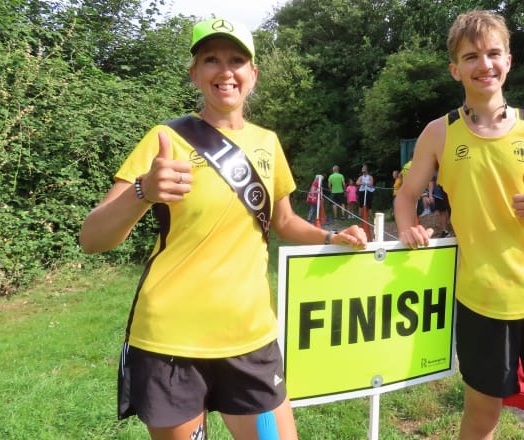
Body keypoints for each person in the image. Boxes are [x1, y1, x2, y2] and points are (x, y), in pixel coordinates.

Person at [78, 17, 367, 440]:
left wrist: (330, 236)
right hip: (171, 344)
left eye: (236, 59)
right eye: (211, 59)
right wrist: (142, 190)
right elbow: (92, 238)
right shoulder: (165, 139)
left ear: (253, 74)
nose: (225, 70)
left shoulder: (268, 143)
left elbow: (283, 221)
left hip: (251, 340)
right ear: (195, 74)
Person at [394, 10, 524, 440]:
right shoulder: (438, 134)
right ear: (455, 69)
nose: (485, 64)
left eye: (493, 53)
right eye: (471, 56)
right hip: (480, 298)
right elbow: (406, 196)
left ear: (509, 60)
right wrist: (408, 227)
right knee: (482, 419)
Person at [427, 172, 450, 237]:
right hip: (438, 195)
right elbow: (431, 182)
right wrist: (430, 195)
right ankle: (445, 231)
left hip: (450, 193)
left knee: (449, 212)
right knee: (442, 212)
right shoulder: (434, 169)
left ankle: (450, 229)